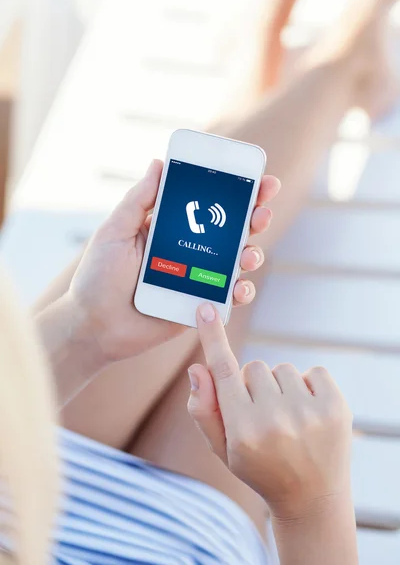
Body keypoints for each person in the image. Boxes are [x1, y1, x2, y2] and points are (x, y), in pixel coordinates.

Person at [0, 158, 356, 564]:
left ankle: (300, 100)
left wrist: (85, 326)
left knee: (208, 265)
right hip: (184, 542)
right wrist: (310, 507)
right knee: (219, 278)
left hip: (21, 459)